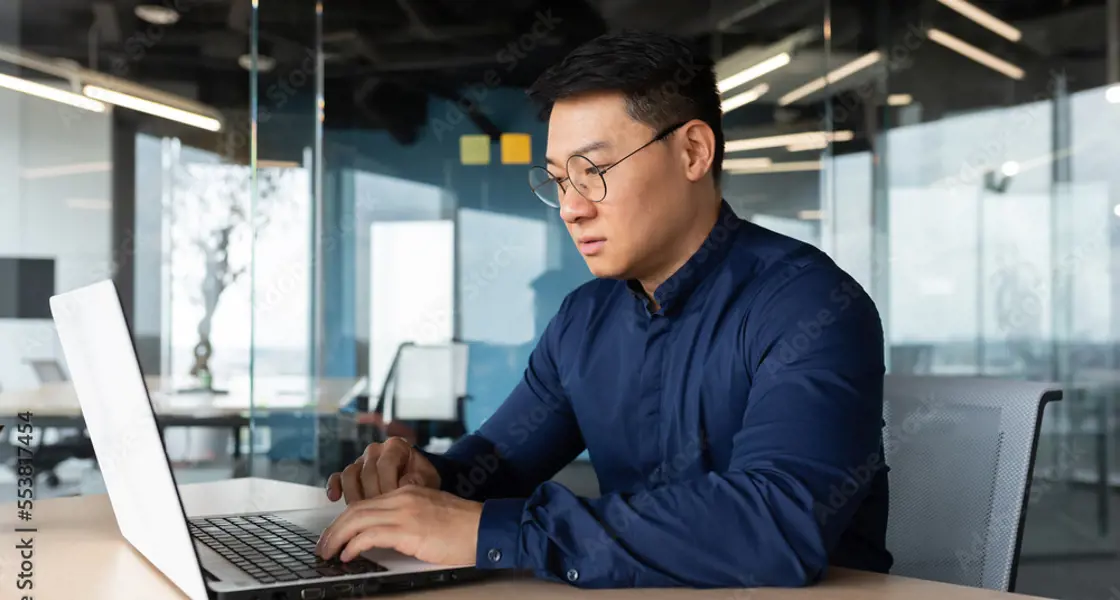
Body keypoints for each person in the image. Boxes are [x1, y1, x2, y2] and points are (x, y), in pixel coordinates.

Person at [315, 29, 893, 589]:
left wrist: (487, 529)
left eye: (592, 172)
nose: (570, 208)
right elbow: (501, 461)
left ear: (693, 151)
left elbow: (775, 526)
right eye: (558, 180)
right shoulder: (584, 320)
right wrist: (430, 478)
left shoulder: (809, 304)